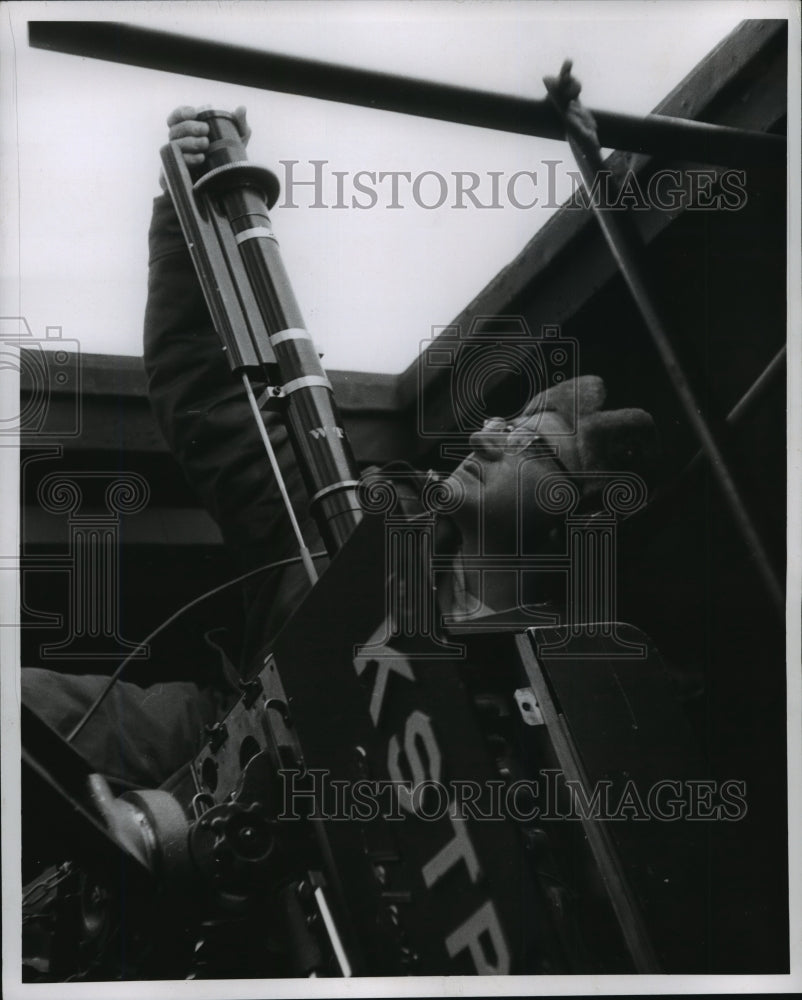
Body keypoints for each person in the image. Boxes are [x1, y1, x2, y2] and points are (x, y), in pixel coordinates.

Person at [20, 104, 657, 790]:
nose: (482, 437)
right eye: (497, 425)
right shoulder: (356, 526)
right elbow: (208, 397)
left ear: (572, 508)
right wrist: (189, 209)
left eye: (524, 442)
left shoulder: (572, 695)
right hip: (227, 752)